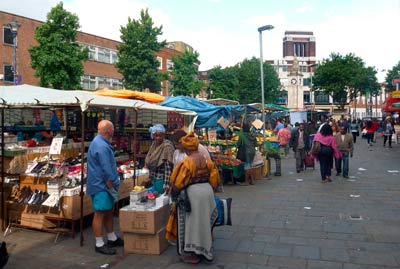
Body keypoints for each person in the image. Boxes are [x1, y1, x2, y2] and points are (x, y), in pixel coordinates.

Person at [166, 132, 220, 264]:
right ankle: (205, 249)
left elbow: (178, 182)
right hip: (207, 192)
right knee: (204, 222)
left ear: (186, 148)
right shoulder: (205, 159)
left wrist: (174, 193)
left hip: (193, 195)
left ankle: (193, 253)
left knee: (193, 225)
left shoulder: (187, 162)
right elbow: (215, 179)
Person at [87, 120, 123, 255]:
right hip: (101, 185)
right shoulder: (101, 145)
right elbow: (106, 166)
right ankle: (99, 243)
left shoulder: (100, 142)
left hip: (102, 184)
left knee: (108, 211)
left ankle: (112, 237)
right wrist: (110, 181)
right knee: (100, 213)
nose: (113, 131)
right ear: (109, 131)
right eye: (112, 129)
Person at [145, 124, 174, 193]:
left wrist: (166, 185)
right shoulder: (154, 145)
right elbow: (149, 160)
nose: (158, 138)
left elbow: (168, 168)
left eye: (160, 136)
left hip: (162, 180)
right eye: (156, 135)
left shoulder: (167, 147)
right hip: (154, 178)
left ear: (163, 135)